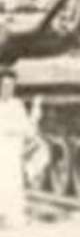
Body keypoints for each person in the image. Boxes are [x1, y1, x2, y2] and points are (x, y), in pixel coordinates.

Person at [0, 71, 38, 228]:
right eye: (5, 85)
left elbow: (27, 128)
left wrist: (35, 114)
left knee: (14, 181)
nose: (8, 89)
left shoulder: (17, 105)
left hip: (13, 147)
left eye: (11, 86)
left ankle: (11, 216)